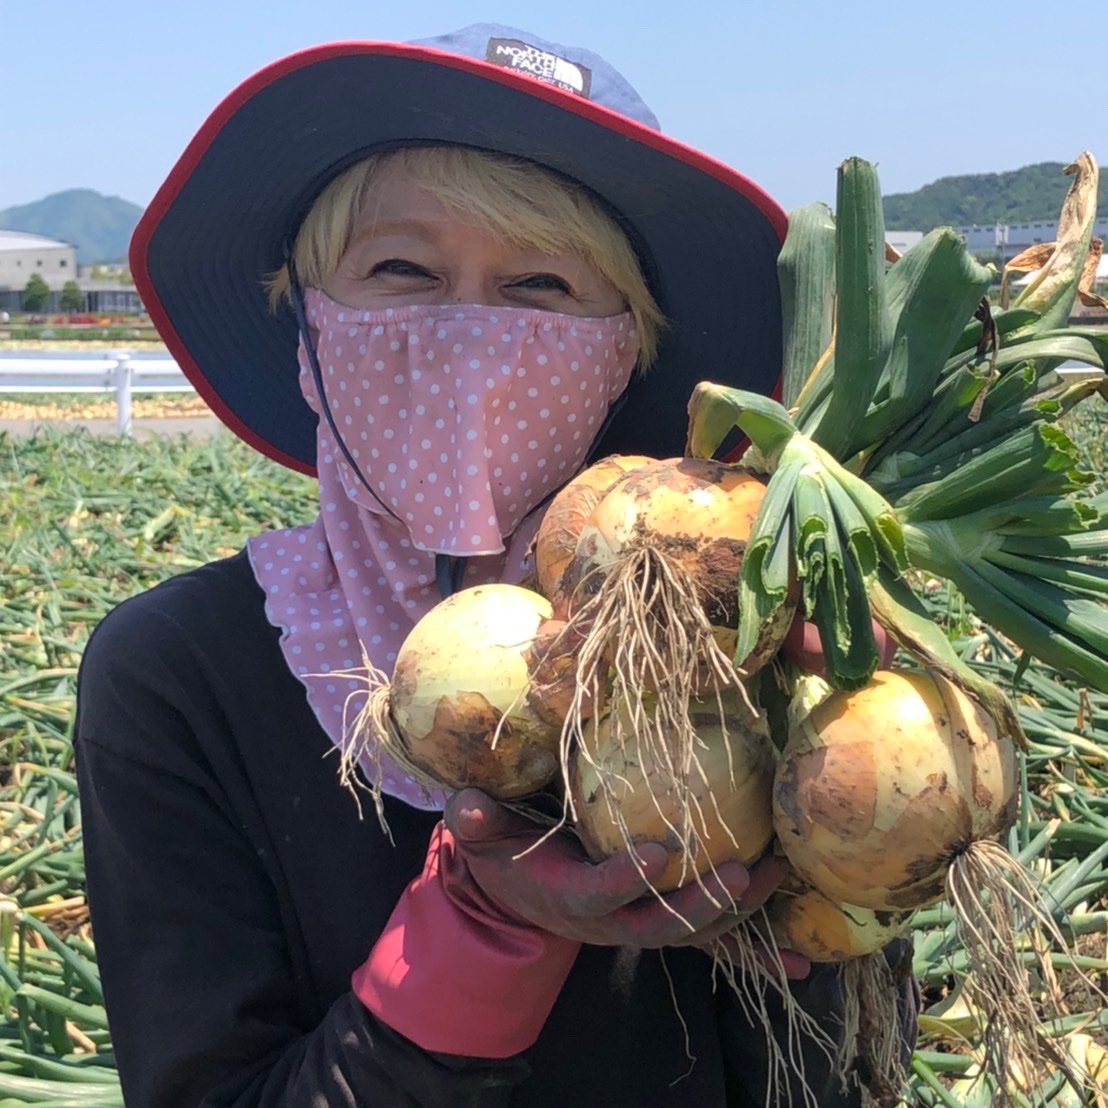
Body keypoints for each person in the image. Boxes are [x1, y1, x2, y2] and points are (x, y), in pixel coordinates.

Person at [74, 24, 917, 1107]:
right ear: (309, 324)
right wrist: (483, 936)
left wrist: (850, 818)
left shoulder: (744, 638)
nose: (471, 336)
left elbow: (821, 1074)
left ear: (627, 354)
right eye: (401, 269)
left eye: (542, 286)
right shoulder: (179, 672)